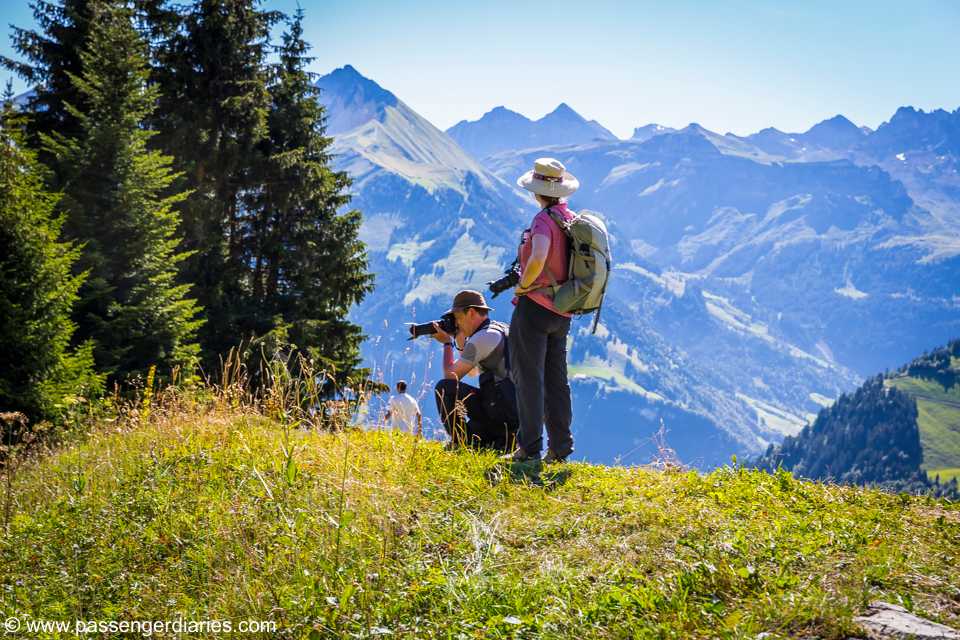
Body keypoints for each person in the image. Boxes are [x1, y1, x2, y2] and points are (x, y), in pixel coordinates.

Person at [507, 157, 578, 463]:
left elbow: (538, 257)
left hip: (534, 307)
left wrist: (523, 285)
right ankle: (560, 449)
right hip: (562, 309)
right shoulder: (568, 217)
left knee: (529, 378)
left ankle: (529, 448)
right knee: (556, 380)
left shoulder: (543, 221)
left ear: (537, 191)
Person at [431, 290, 518, 451]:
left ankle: (463, 442)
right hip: (513, 414)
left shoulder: (482, 338)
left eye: (458, 318)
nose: (456, 324)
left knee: (444, 388)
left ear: (471, 312)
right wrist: (459, 338)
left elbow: (451, 376)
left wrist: (447, 344)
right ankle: (492, 441)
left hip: (501, 412)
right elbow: (472, 372)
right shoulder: (499, 329)